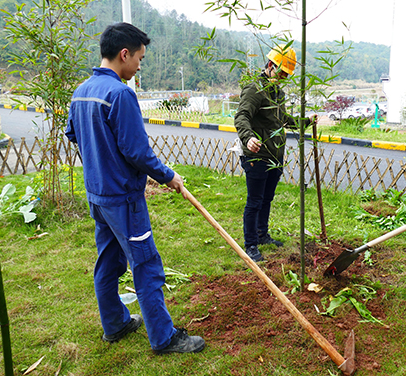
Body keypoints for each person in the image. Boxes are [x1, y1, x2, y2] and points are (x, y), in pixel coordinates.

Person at [65, 22, 205, 353]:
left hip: (97, 196)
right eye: (139, 58)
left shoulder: (81, 91)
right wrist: (168, 175)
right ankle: (164, 337)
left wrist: (98, 157)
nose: (140, 66)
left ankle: (114, 324)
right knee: (145, 265)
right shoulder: (120, 94)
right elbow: (137, 152)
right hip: (124, 199)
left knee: (108, 262)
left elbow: (73, 134)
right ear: (124, 54)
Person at [234, 45, 314, 262]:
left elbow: (282, 120)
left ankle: (262, 235)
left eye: (286, 75)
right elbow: (241, 116)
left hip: (275, 156)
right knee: (255, 201)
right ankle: (250, 244)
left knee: (267, 198)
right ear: (270, 66)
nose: (283, 77)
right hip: (257, 156)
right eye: (281, 73)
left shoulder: (277, 93)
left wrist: (306, 122)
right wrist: (248, 138)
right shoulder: (254, 89)